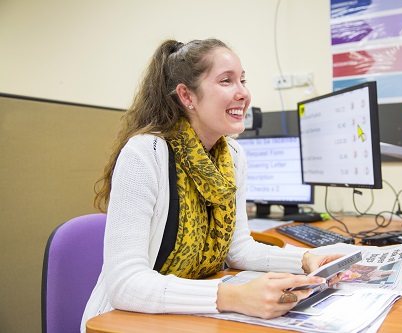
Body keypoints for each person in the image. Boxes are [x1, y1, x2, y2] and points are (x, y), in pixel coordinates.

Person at [80, 38, 343, 332]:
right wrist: (233, 296)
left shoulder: (232, 156)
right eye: (226, 81)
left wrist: (306, 258)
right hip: (125, 321)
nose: (243, 92)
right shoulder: (145, 154)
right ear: (187, 96)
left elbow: (239, 250)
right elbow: (125, 285)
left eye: (242, 80)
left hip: (191, 316)